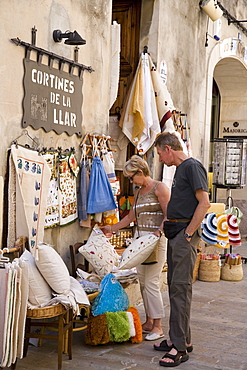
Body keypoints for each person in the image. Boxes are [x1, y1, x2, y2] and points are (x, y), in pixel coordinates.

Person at [154, 132, 210, 367]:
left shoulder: (192, 166)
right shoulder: (181, 169)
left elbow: (204, 202)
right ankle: (181, 340)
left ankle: (179, 349)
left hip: (183, 238)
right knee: (176, 290)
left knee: (179, 291)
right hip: (176, 235)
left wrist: (188, 234)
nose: (159, 159)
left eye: (159, 154)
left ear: (168, 149)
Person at [101, 155, 170, 341]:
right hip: (140, 242)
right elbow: (131, 217)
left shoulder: (160, 188)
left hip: (156, 242)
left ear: (140, 172)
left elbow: (168, 215)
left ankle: (158, 326)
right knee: (143, 282)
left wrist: (159, 232)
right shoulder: (139, 192)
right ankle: (149, 320)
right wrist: (112, 228)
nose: (131, 181)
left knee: (152, 283)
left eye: (131, 177)